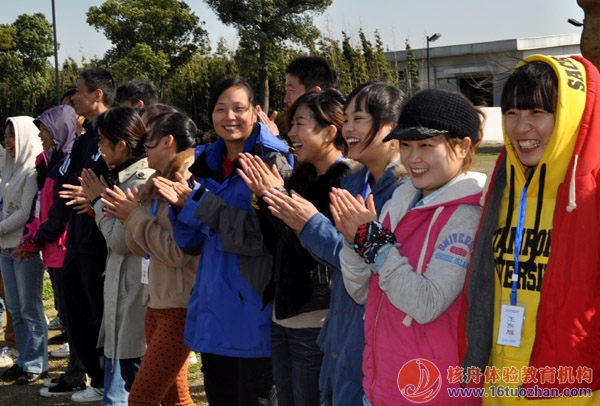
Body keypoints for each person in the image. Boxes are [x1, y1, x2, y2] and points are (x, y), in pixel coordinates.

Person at [459, 54, 600, 404]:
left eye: (536, 112)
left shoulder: (591, 194)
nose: (521, 128)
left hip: (572, 388)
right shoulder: (502, 185)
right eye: (511, 113)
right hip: (500, 380)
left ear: (570, 117)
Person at [332, 88, 485, 405]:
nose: (413, 158)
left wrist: (374, 244)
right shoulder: (401, 198)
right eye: (405, 145)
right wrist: (354, 241)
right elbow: (361, 291)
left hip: (434, 391)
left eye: (426, 145)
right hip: (383, 384)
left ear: (462, 147)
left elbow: (426, 304)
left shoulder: (467, 215)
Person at [261, 81, 406, 405]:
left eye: (359, 119)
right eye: (347, 119)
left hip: (370, 349)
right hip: (339, 342)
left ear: (392, 127)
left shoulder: (404, 193)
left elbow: (366, 265)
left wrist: (309, 223)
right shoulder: (352, 184)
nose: (348, 128)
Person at [154, 76, 293, 405]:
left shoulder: (273, 161)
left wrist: (198, 205)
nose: (230, 117)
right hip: (213, 311)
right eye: (220, 109)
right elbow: (191, 244)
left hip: (255, 313)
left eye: (239, 108)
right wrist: (181, 209)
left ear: (256, 112)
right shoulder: (205, 161)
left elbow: (265, 236)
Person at [239, 89, 350, 406]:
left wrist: (276, 196)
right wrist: (265, 199)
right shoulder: (301, 176)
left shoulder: (345, 180)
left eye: (300, 124)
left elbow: (315, 250)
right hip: (284, 313)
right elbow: (276, 243)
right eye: (291, 125)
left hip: (315, 318)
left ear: (329, 132)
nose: (291, 134)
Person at [100, 109, 199, 406]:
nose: (143, 147)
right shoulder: (155, 183)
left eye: (149, 140)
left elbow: (178, 252)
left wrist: (135, 217)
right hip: (156, 301)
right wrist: (129, 216)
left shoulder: (186, 183)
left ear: (168, 142)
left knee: (142, 397)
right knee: (175, 397)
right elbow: (138, 247)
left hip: (179, 306)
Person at [78, 107, 154, 405]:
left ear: (121, 145)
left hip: (134, 291)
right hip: (124, 288)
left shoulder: (138, 182)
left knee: (137, 378)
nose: (98, 147)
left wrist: (98, 200)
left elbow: (119, 241)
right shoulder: (122, 177)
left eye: (102, 140)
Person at [57, 66, 115, 403]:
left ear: (97, 94)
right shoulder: (82, 140)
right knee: (76, 315)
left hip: (103, 242)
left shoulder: (118, 130)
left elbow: (126, 179)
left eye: (78, 91)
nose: (74, 98)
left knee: (102, 315)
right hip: (77, 241)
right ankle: (98, 377)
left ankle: (112, 381)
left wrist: (98, 194)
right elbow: (68, 183)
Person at [0, 116, 46, 384]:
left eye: (13, 136)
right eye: (6, 136)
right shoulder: (10, 168)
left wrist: (1, 228)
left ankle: (37, 363)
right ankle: (24, 359)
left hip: (24, 246)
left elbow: (26, 212)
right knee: (15, 308)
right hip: (5, 246)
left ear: (26, 137)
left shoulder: (31, 171)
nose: (8, 142)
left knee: (30, 307)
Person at [257, 55, 339, 137]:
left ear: (314, 92)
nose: (286, 99)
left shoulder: (337, 134)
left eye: (291, 90)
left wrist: (273, 139)